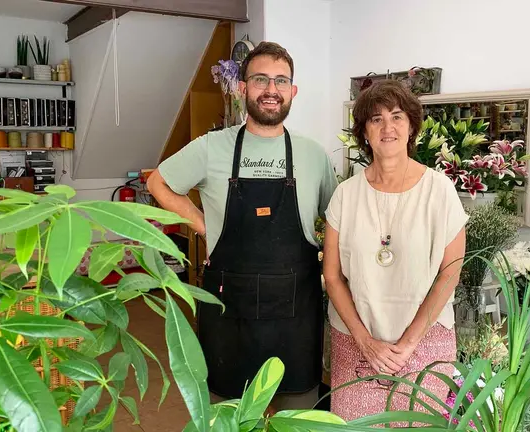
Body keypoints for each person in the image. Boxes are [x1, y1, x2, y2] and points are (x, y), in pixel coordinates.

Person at [147, 41, 339, 408]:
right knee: (228, 418)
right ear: (242, 87)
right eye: (260, 79)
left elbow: (336, 218)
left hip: (295, 316)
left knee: (298, 420)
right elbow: (158, 183)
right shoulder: (210, 147)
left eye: (281, 81)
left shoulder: (313, 154)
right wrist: (205, 226)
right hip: (229, 317)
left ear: (293, 91)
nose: (271, 89)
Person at [322, 80, 467, 421]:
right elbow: (332, 276)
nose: (388, 127)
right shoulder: (345, 195)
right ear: (365, 132)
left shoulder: (440, 191)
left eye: (397, 116)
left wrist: (409, 344)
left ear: (411, 126)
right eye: (376, 119)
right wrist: (365, 342)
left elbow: (450, 273)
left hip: (425, 342)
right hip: (356, 342)